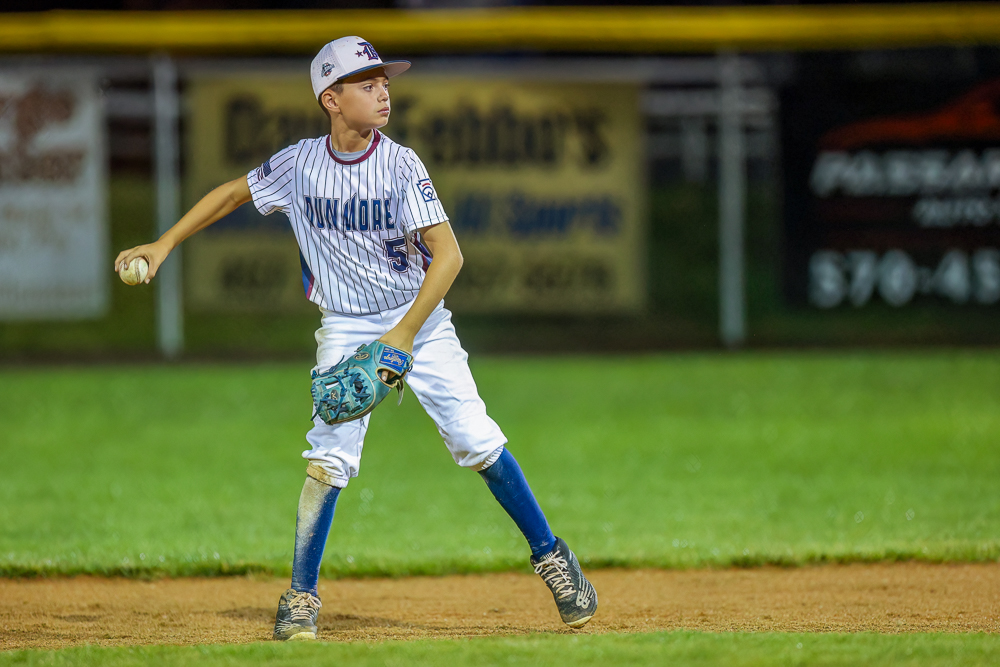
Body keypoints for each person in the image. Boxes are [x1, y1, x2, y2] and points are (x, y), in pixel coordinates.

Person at [114, 36, 598, 642]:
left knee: (474, 438)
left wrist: (403, 334)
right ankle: (301, 595)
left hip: (417, 316)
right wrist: (164, 244)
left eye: (384, 81)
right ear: (331, 99)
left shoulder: (401, 163)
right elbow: (234, 193)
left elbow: (448, 257)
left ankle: (553, 557)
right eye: (366, 84)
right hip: (344, 324)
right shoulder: (299, 165)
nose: (383, 91)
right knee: (329, 457)